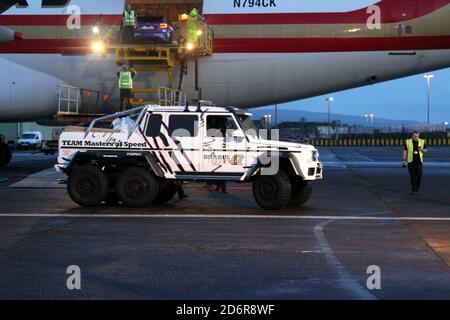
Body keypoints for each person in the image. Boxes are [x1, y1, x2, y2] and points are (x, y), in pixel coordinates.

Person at [402, 131, 427, 196]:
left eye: (417, 136)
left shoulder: (422, 141)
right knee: (412, 177)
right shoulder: (408, 142)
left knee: (419, 176)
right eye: (415, 136)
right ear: (412, 136)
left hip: (419, 162)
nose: (416, 138)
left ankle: (417, 189)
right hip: (411, 162)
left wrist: (421, 149)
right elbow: (405, 151)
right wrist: (404, 160)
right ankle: (414, 190)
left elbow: (425, 150)